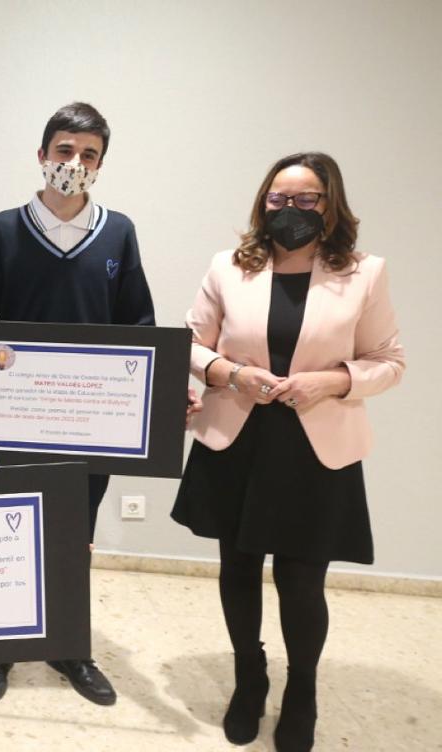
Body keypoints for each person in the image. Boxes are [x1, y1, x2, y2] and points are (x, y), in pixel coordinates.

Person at [171, 152, 404, 751]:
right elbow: (188, 344)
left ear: (329, 205)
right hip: (238, 436)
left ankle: (303, 688)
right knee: (238, 569)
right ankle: (250, 676)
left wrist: (331, 380)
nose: (291, 210)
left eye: (306, 200)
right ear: (263, 203)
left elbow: (389, 362)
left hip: (315, 445)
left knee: (302, 581)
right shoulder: (228, 267)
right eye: (279, 199)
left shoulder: (364, 272)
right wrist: (227, 372)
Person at [0, 101, 154, 707]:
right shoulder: (4, 228)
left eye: (88, 154)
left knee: (74, 535)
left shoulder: (118, 231)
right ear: (43, 155)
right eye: (64, 150)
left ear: (101, 164)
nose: (75, 163)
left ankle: (70, 644)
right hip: (15, 419)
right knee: (9, 528)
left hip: (91, 423)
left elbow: (138, 324)